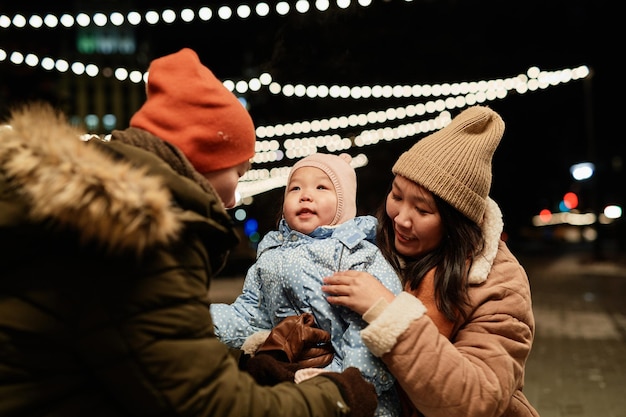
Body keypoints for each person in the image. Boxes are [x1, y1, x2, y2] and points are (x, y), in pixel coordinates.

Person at [0, 48, 378, 417]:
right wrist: (336, 396)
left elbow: (150, 352)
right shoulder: (139, 235)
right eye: (240, 174)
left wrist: (246, 366)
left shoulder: (96, 210)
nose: (233, 198)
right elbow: (207, 404)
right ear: (208, 158)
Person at [320, 106, 540, 417]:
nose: (401, 219)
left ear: (456, 222)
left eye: (422, 211)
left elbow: (476, 399)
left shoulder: (498, 283)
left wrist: (387, 312)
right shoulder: (364, 247)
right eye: (396, 196)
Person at [211, 152, 403, 417]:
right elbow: (249, 313)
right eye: (295, 187)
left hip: (353, 395)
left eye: (321, 187)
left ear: (344, 202)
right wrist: (201, 320)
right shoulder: (271, 254)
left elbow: (369, 328)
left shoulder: (356, 253)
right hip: (290, 386)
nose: (305, 195)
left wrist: (343, 381)